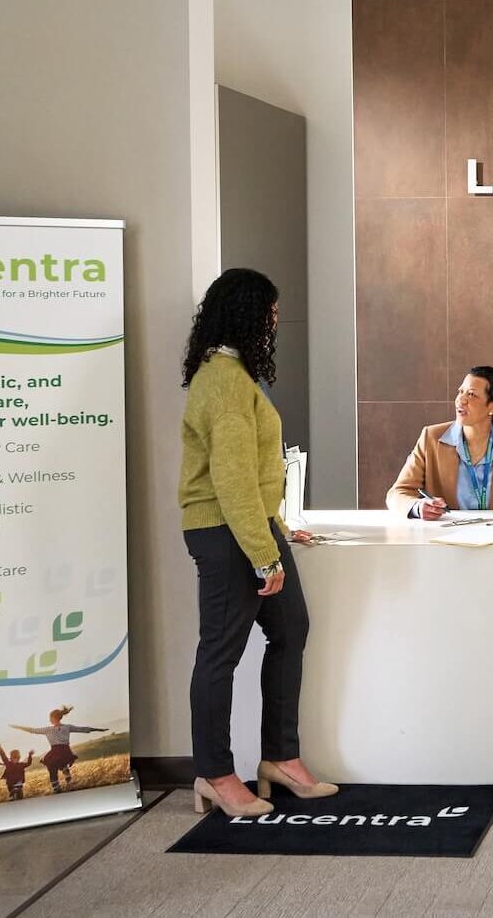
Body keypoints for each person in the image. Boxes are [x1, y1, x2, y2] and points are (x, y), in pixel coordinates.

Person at [180, 268, 337, 818]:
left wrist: (278, 529)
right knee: (220, 652)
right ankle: (215, 774)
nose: (275, 321)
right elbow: (231, 480)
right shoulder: (223, 380)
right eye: (270, 311)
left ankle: (279, 759)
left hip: (250, 528)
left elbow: (252, 474)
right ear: (248, 314)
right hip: (224, 533)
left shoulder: (237, 375)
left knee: (290, 628)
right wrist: (264, 551)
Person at [388, 366, 493, 518]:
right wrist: (418, 507)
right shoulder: (431, 438)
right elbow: (397, 493)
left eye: (472, 394)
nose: (461, 400)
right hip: (445, 534)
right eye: (461, 392)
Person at [11, 705, 108, 793]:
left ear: (54, 718)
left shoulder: (48, 729)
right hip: (66, 751)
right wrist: (98, 729)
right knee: (61, 762)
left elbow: (32, 730)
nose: (49, 720)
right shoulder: (67, 727)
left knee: (51, 767)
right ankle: (66, 774)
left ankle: (57, 787)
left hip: (55, 751)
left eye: (50, 718)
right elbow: (83, 729)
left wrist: (18, 727)